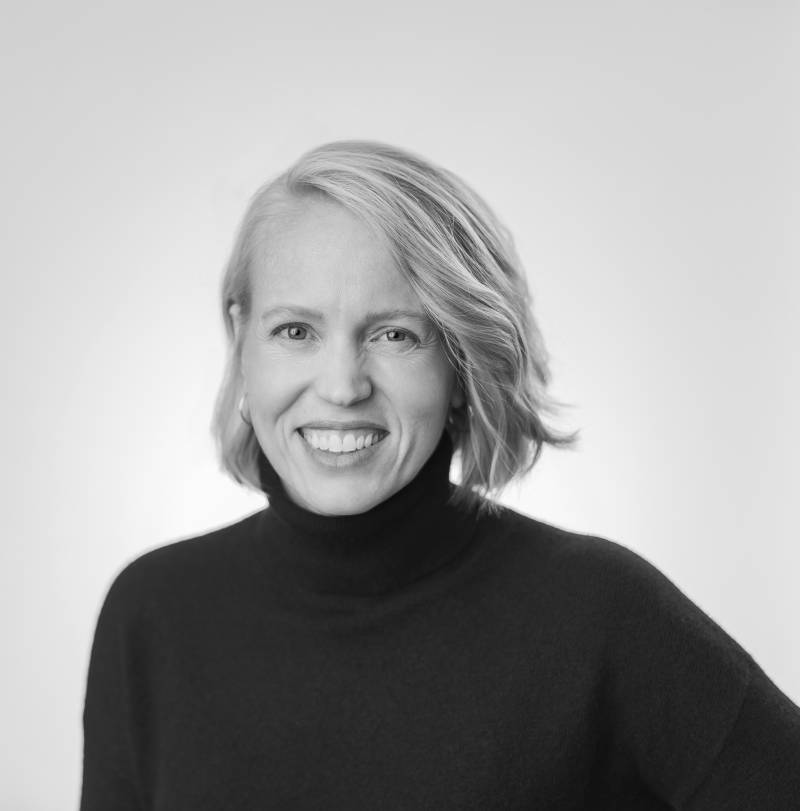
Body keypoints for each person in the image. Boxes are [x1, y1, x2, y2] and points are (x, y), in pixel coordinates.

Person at [80, 140, 800, 809]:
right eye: (295, 331)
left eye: (395, 334)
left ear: (460, 363)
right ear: (243, 343)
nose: (342, 386)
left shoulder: (601, 614)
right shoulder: (152, 615)